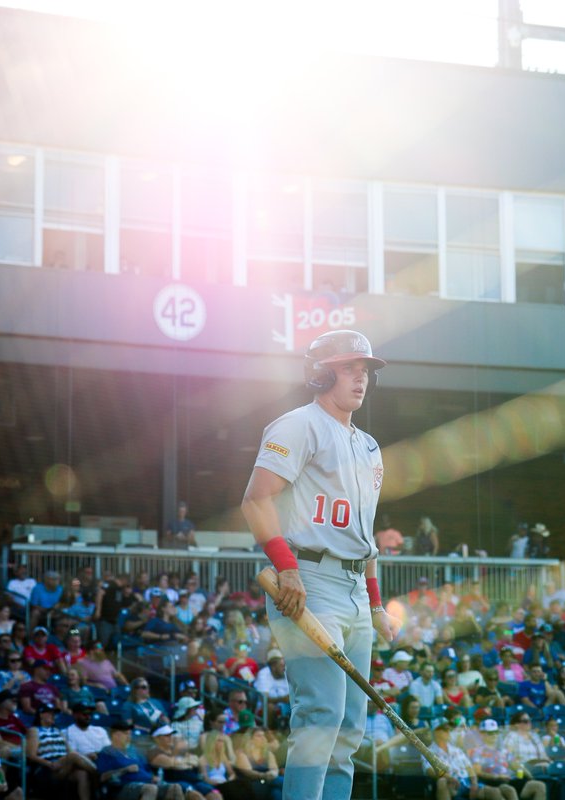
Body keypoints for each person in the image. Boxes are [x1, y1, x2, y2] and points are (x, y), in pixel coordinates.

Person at [240, 329, 398, 800]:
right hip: (308, 578)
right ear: (321, 372)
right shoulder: (298, 425)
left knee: (349, 730)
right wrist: (287, 568)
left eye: (365, 369)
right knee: (321, 717)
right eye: (350, 367)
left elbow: (366, 539)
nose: (361, 377)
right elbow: (255, 500)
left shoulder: (369, 446)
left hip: (353, 588)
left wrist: (375, 604)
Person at [98, 718, 181, 800]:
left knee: (174, 787)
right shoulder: (107, 752)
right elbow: (102, 777)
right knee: (150, 789)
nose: (129, 737)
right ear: (115, 735)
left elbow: (147, 769)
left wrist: (153, 777)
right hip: (123, 787)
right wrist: (125, 770)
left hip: (146, 783)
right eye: (126, 734)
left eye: (130, 734)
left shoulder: (133, 751)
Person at [468, 719, 546, 800]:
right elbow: (478, 772)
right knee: (508, 789)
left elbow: (515, 765)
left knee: (539, 786)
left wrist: (530, 777)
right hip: (492, 784)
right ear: (482, 734)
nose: (494, 735)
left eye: (496, 732)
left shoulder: (503, 750)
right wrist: (497, 777)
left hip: (510, 780)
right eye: (491, 733)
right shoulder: (477, 752)